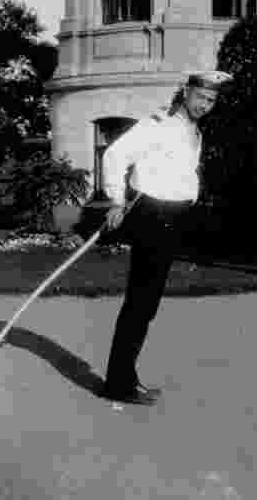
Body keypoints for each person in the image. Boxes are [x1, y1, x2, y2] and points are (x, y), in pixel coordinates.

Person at [98, 70, 232, 405]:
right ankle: (119, 384)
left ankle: (125, 378)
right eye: (201, 97)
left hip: (173, 217)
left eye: (211, 100)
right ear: (186, 92)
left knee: (146, 304)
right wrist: (116, 199)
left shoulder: (192, 130)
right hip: (152, 215)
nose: (205, 105)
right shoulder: (157, 123)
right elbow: (114, 155)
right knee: (140, 303)